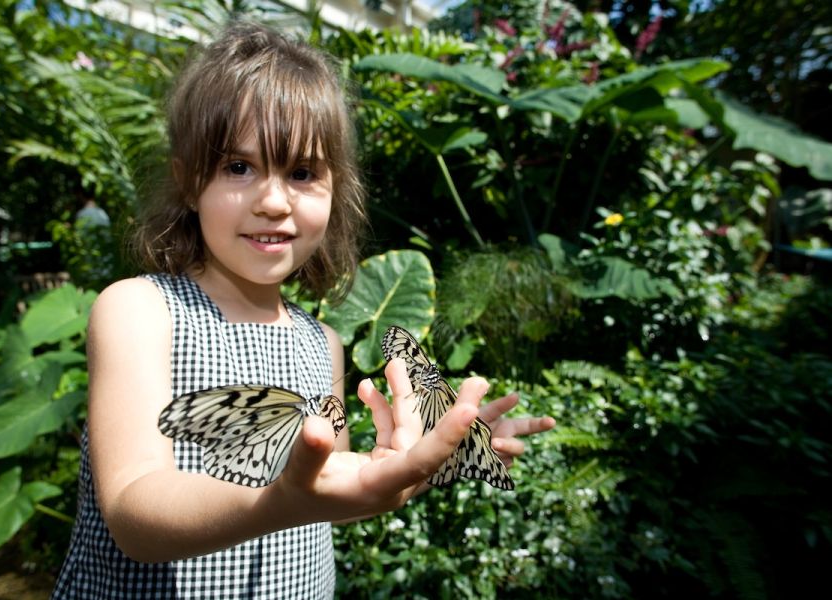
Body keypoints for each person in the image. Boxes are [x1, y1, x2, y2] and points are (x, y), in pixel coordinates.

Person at [52, 21, 555, 599]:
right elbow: (133, 514)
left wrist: (422, 462)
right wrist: (277, 502)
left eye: (301, 173)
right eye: (238, 167)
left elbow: (329, 491)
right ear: (189, 183)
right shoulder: (141, 311)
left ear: (335, 189)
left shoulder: (322, 343)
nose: (272, 201)